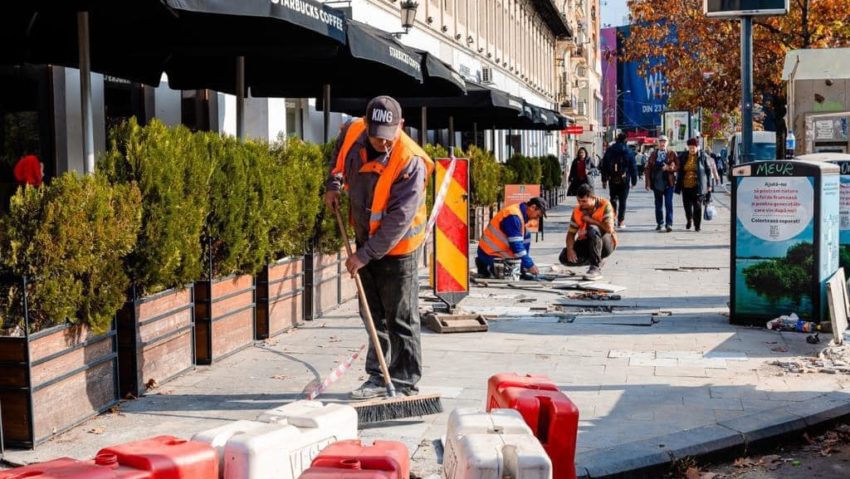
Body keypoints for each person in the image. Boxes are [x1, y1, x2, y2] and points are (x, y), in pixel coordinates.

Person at [324, 95, 434, 400]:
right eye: (376, 137)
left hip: (399, 247)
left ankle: (405, 380)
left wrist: (365, 255)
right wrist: (333, 185)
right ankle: (378, 376)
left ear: (401, 125)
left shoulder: (410, 161)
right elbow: (338, 159)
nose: (383, 143)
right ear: (366, 125)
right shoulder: (351, 131)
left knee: (400, 316)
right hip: (365, 239)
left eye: (389, 137)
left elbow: (399, 218)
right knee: (372, 314)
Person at [476, 197, 548, 280]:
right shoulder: (513, 217)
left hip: (499, 252)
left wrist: (523, 266)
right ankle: (485, 266)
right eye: (537, 215)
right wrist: (530, 265)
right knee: (508, 274)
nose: (536, 218)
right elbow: (516, 246)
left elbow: (520, 247)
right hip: (488, 253)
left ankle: (491, 266)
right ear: (533, 207)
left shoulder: (520, 217)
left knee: (527, 235)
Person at [559, 183, 617, 280]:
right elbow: (571, 233)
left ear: (593, 197)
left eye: (584, 201)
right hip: (587, 241)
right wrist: (570, 249)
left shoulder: (604, 205)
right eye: (579, 201)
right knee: (564, 257)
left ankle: (595, 268)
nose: (581, 204)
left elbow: (609, 229)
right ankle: (598, 260)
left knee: (592, 229)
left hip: (607, 243)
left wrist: (591, 220)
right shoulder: (577, 210)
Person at [675, 138, 714, 232]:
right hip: (685, 185)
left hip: (698, 186)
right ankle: (689, 219)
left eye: (693, 147)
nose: (692, 149)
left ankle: (697, 225)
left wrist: (709, 185)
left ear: (697, 147)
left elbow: (708, 171)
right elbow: (678, 167)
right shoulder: (683, 156)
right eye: (690, 148)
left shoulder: (703, 156)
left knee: (697, 206)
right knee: (687, 206)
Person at [601, 132, 637, 228]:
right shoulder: (629, 151)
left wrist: (604, 179)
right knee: (623, 201)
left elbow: (604, 165)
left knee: (613, 199)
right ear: (626, 140)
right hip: (625, 179)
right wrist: (634, 180)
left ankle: (612, 219)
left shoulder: (610, 150)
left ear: (616, 139)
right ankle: (621, 221)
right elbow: (633, 167)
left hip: (612, 178)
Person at [644, 135, 679, 232]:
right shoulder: (653, 154)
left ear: (667, 143)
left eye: (664, 142)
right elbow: (648, 169)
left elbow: (678, 166)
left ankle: (669, 224)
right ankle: (660, 223)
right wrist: (647, 183)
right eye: (660, 142)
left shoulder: (672, 153)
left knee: (668, 204)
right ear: (657, 143)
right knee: (658, 205)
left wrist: (669, 168)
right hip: (657, 183)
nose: (662, 144)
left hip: (669, 183)